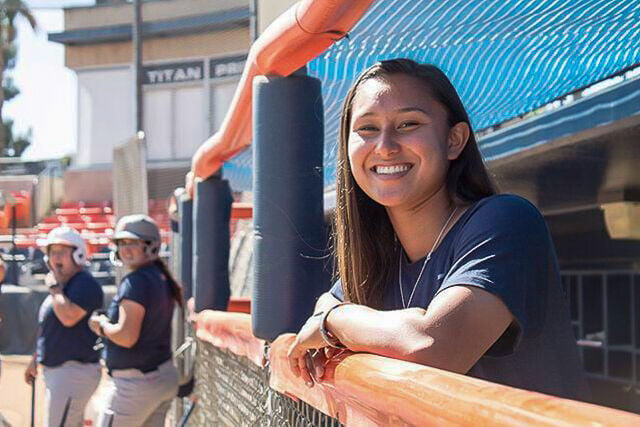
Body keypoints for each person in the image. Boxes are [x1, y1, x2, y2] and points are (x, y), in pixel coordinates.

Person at [287, 59, 589, 401]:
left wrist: (334, 322)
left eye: (408, 123)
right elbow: (327, 304)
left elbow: (432, 346)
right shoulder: (376, 259)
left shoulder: (506, 220)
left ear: (454, 140)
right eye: (367, 128)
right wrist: (328, 312)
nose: (384, 146)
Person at [89, 215, 181, 426]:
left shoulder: (136, 281)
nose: (126, 249)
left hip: (136, 384)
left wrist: (101, 327)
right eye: (122, 243)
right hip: (159, 375)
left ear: (151, 246)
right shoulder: (159, 276)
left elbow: (127, 336)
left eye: (133, 242)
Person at [24, 226, 104, 427]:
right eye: (52, 252)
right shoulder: (63, 285)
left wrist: (54, 288)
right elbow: (50, 328)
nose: (55, 257)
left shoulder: (83, 283)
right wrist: (36, 359)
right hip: (60, 372)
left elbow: (68, 317)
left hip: (73, 371)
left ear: (77, 254)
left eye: (61, 251)